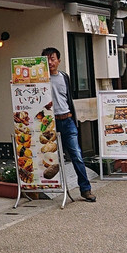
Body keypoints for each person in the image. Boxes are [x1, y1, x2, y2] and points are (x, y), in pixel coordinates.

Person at [41, 47, 96, 202]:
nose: (50, 62)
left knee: (77, 155)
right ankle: (44, 187)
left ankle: (86, 190)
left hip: (67, 120)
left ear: (59, 60)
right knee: (49, 157)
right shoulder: (39, 79)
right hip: (50, 124)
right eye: (46, 59)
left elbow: (67, 99)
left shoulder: (64, 76)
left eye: (52, 59)